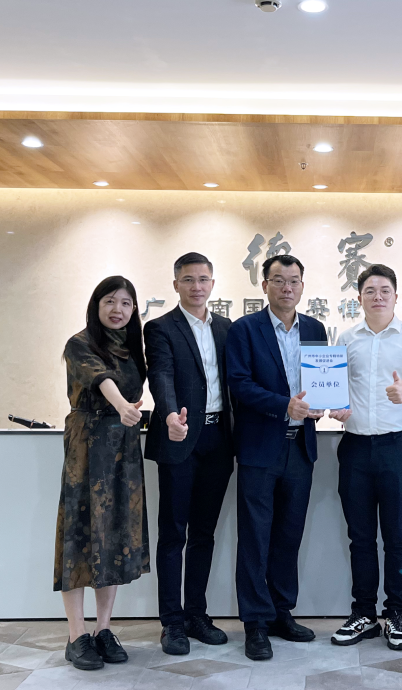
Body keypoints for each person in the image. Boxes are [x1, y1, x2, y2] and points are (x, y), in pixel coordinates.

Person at [329, 264, 402, 651]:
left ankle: (396, 614)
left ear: (396, 296)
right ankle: (363, 613)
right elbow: (334, 387)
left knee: (396, 536)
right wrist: (335, 406)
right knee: (360, 537)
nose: (378, 296)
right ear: (359, 297)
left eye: (385, 290)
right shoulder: (346, 339)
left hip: (396, 447)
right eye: (370, 290)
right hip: (355, 447)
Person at [226, 254, 328, 661]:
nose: (287, 287)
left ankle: (281, 612)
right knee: (255, 536)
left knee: (288, 534)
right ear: (264, 285)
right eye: (279, 280)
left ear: (303, 286)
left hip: (300, 447)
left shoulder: (315, 328)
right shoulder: (244, 329)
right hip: (259, 448)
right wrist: (283, 405)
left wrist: (326, 402)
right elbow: (239, 384)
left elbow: (321, 381)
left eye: (294, 281)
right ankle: (255, 622)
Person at [55, 276, 150, 671]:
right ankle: (76, 635)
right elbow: (101, 379)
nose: (117, 309)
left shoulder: (133, 350)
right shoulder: (79, 343)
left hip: (122, 451)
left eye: (125, 303)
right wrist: (123, 406)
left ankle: (103, 629)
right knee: (79, 537)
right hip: (87, 450)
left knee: (112, 535)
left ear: (134, 310)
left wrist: (137, 412)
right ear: (96, 305)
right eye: (110, 301)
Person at [144, 253, 234, 656]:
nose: (197, 286)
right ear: (175, 284)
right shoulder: (160, 328)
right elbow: (161, 375)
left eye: (203, 279)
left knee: (203, 533)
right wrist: (168, 415)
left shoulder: (228, 328)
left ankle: (197, 614)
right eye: (188, 279)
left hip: (219, 439)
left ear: (212, 283)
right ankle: (172, 622)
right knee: (172, 534)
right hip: (178, 437)